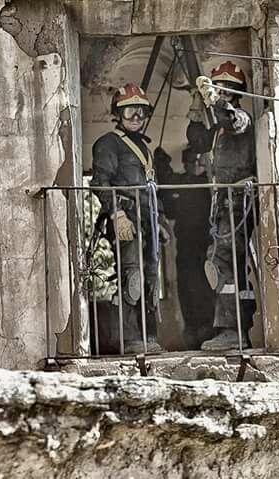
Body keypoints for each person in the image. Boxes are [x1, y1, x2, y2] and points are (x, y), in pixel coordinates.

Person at [91, 83, 167, 354]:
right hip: (126, 218)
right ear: (118, 114)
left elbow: (150, 190)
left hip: (147, 220)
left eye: (140, 111)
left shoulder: (143, 147)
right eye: (129, 110)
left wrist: (159, 221)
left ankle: (149, 337)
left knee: (150, 278)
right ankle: (131, 339)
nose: (136, 116)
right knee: (131, 277)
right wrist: (117, 214)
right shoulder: (108, 144)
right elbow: (100, 182)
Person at [188, 61, 258, 350]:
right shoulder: (219, 130)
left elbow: (232, 120)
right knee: (231, 267)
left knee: (221, 262)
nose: (223, 92)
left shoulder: (241, 118)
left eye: (228, 88)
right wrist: (196, 108)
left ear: (237, 92)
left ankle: (232, 330)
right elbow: (197, 141)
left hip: (237, 202)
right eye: (220, 87)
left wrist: (215, 100)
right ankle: (239, 329)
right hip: (225, 204)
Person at [154, 146, 216, 350]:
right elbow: (170, 207)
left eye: (196, 162)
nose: (193, 166)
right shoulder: (185, 183)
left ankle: (208, 330)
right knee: (187, 290)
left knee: (205, 288)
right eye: (189, 162)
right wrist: (161, 163)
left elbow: (171, 181)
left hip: (206, 245)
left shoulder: (206, 182)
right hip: (186, 247)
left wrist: (162, 164)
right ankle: (192, 332)